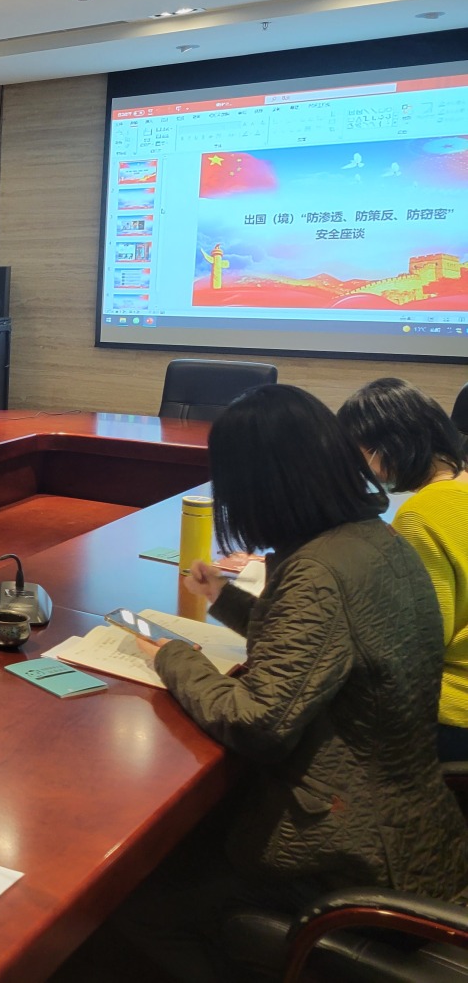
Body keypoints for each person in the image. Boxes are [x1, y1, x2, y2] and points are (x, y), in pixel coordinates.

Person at [112, 384, 468, 981]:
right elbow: (329, 642)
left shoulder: (318, 570)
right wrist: (226, 600)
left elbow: (259, 722)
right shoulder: (375, 538)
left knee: (135, 900)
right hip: (418, 832)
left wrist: (172, 656)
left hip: (351, 854)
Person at [338, 377, 468, 761]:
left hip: (451, 712)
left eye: (358, 455)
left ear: (387, 447)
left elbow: (413, 646)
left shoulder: (420, 516)